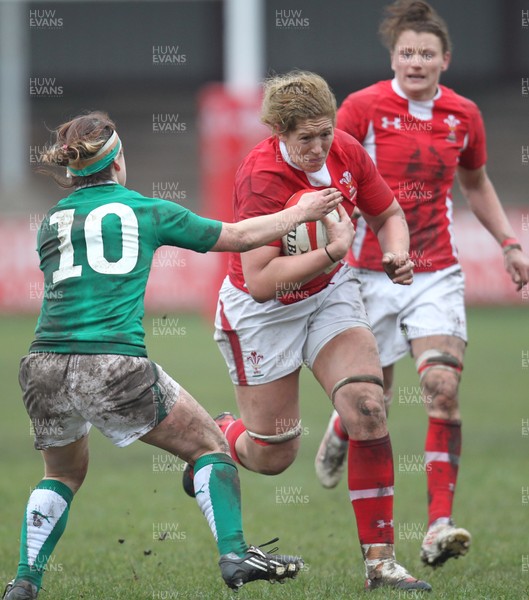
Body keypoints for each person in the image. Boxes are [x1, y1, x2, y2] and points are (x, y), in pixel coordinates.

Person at [1, 111, 347, 600]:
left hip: (42, 366)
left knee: (61, 474)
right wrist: (301, 213)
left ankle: (24, 581)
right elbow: (240, 236)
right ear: (118, 162)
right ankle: (235, 554)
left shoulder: (52, 222)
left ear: (74, 168)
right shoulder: (148, 210)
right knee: (210, 446)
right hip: (112, 362)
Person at [183, 70, 432, 592]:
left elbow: (388, 213)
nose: (320, 147)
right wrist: (334, 252)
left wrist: (397, 251)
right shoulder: (261, 178)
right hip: (261, 315)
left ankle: (381, 564)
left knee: (368, 405)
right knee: (273, 456)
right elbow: (260, 281)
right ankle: (222, 433)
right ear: (279, 132)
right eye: (306, 138)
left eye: (326, 132)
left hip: (328, 298)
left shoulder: (344, 150)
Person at [315, 0, 529, 570]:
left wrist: (509, 244)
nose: (416, 61)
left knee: (441, 386)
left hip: (434, 272)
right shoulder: (360, 108)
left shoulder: (463, 115)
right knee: (372, 401)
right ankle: (340, 429)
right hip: (366, 272)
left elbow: (476, 183)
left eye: (426, 53)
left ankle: (438, 526)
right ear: (393, 57)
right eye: (407, 52)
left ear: (445, 60)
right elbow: (331, 180)